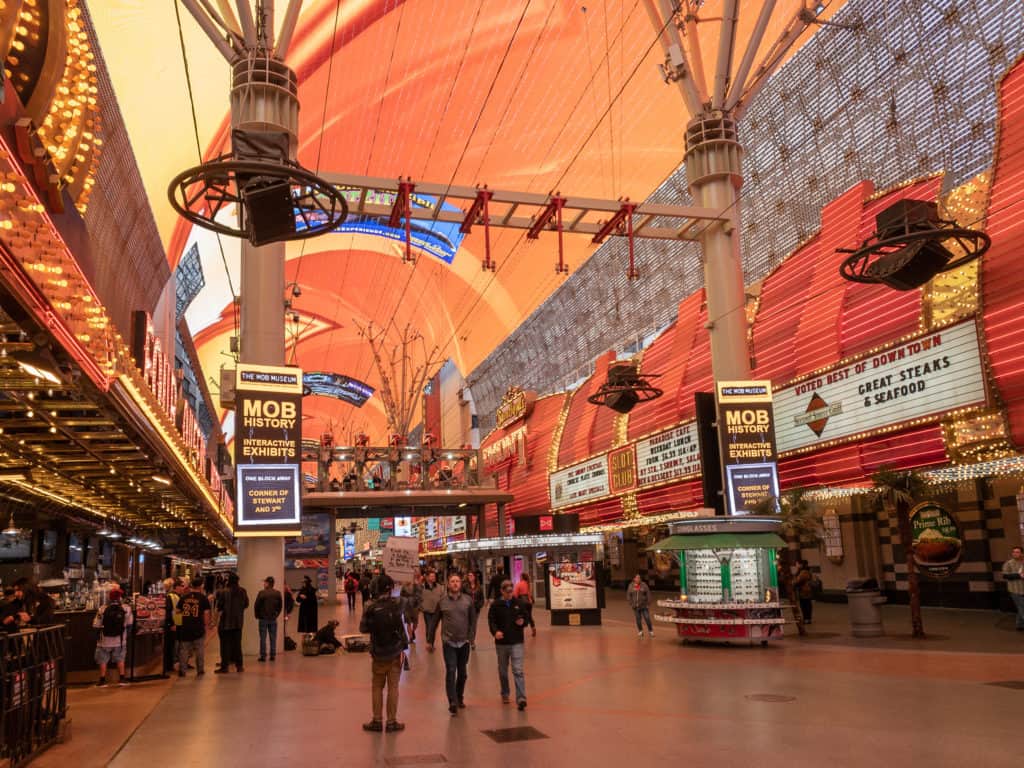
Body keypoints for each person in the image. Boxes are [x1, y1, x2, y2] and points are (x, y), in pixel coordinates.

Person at [359, 574, 408, 733]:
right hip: (395, 652)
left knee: (377, 687)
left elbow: (363, 629)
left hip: (378, 653)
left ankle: (377, 720)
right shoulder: (398, 604)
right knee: (394, 687)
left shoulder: (369, 606)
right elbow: (414, 601)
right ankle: (392, 721)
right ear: (391, 588)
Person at [488, 579, 534, 710]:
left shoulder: (519, 603)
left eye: (511, 591)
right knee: (503, 671)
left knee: (518, 671)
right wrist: (495, 632)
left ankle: (521, 698)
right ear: (502, 591)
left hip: (517, 642)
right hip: (501, 643)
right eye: (507, 592)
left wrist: (523, 622)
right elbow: (491, 621)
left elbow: (526, 617)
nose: (509, 594)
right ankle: (505, 692)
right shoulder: (496, 605)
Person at [438, 573, 475, 715]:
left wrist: (470, 638)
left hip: (464, 642)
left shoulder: (468, 601)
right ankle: (452, 701)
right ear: (448, 584)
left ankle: (459, 697)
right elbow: (435, 620)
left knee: (463, 673)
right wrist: (430, 640)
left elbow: (473, 621)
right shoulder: (442, 602)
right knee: (451, 670)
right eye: (452, 581)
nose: (455, 583)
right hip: (449, 642)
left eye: (457, 581)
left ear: (460, 584)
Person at [93, 588, 133, 687]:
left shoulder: (102, 609)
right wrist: (125, 636)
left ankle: (102, 680)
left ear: (109, 597)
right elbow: (129, 624)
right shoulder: (126, 608)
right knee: (120, 659)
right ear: (120, 597)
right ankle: (122, 678)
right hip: (120, 640)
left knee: (103, 659)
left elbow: (96, 625)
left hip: (104, 640)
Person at [214, 572, 249, 673]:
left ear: (229, 581)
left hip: (225, 623)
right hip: (238, 623)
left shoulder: (224, 592)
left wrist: (214, 621)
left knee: (225, 645)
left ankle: (225, 667)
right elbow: (246, 604)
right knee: (237, 645)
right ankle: (239, 666)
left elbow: (219, 607)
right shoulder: (243, 591)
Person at [177, 578, 211, 677]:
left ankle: (182, 671)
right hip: (198, 627)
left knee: (184, 650)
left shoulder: (184, 597)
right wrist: (207, 625)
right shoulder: (203, 598)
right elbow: (206, 613)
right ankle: (200, 670)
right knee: (199, 649)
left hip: (185, 626)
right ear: (200, 586)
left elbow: (178, 611)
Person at [254, 576, 283, 662]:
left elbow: (256, 606)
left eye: (265, 582)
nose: (264, 584)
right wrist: (276, 614)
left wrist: (257, 615)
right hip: (273, 618)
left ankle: (263, 656)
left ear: (267, 583)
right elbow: (280, 606)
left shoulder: (261, 593)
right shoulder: (277, 593)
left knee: (263, 638)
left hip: (263, 619)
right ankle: (272, 655)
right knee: (273, 637)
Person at [162, 578, 184, 675]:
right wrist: (171, 624)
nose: (183, 588)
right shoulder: (170, 597)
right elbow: (168, 611)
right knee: (171, 646)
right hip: (173, 625)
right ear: (177, 587)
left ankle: (173, 664)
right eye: (182, 586)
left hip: (178, 624)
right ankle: (169, 665)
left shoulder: (178, 596)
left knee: (175, 646)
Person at [420, 569, 443, 651]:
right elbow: (418, 597)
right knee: (430, 626)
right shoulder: (422, 587)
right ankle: (429, 643)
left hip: (437, 611)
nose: (433, 578)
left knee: (434, 627)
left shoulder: (439, 587)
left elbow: (443, 597)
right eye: (431, 576)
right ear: (427, 577)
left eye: (434, 576)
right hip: (427, 611)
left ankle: (431, 643)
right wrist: (421, 607)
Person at [1002, 546, 1024, 630]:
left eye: (1017, 552)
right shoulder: (1008, 563)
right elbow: (1005, 575)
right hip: (1015, 590)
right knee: (1022, 607)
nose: (1015, 553)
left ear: (1022, 553)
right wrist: (1019, 575)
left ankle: (1019, 625)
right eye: (1014, 552)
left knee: (1020, 608)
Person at [462, 571, 485, 649]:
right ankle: (467, 640)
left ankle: (472, 641)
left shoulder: (479, 587)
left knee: (473, 626)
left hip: (475, 610)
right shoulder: (464, 586)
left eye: (471, 575)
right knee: (467, 625)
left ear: (474, 577)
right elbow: (461, 597)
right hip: (466, 609)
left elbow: (482, 599)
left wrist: (479, 605)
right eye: (469, 576)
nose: (470, 577)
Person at [628, 573, 654, 639]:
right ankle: (640, 631)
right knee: (638, 619)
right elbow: (628, 595)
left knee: (647, 618)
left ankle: (651, 631)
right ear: (634, 579)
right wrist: (631, 603)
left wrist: (648, 603)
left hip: (644, 606)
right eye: (637, 578)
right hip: (635, 607)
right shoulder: (631, 586)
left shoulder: (644, 585)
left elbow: (648, 594)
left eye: (639, 578)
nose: (638, 579)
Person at [400, 574, 422, 643]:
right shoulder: (403, 586)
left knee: (415, 623)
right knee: (408, 623)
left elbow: (420, 594)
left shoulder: (416, 585)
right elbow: (401, 595)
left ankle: (413, 631)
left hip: (415, 606)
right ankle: (410, 637)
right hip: (406, 606)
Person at [794, 560, 814, 625]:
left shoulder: (803, 572)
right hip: (805, 590)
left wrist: (793, 582)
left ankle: (807, 619)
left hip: (804, 591)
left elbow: (797, 581)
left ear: (801, 565)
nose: (796, 565)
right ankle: (807, 618)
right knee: (806, 604)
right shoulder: (804, 571)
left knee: (805, 605)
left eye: (797, 564)